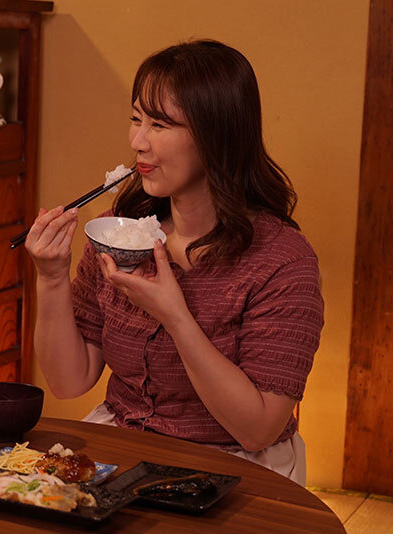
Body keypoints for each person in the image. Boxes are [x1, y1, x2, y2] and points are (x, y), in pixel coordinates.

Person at [25, 40, 324, 485]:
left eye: (160, 125)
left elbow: (258, 430)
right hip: (124, 448)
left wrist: (175, 316)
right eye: (136, 119)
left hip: (235, 468)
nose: (137, 142)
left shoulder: (282, 260)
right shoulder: (119, 233)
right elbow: (69, 381)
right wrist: (50, 278)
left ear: (216, 134)